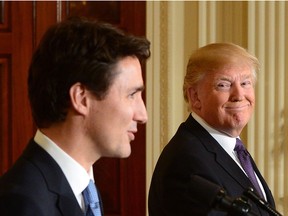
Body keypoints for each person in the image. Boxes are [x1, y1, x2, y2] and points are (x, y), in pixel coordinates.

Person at [0, 16, 150, 216]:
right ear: (81, 98)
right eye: (131, 95)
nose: (143, 115)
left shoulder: (83, 188)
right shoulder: (23, 203)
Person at [148, 43, 275, 215]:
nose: (239, 95)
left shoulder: (232, 148)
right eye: (224, 85)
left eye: (245, 83)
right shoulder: (187, 161)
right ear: (195, 96)